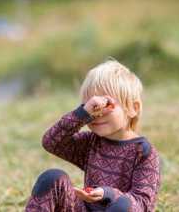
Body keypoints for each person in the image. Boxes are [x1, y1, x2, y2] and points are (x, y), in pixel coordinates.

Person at [25, 59, 161, 212]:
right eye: (93, 107)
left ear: (133, 108)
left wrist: (108, 194)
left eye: (106, 105)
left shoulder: (144, 153)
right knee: (52, 177)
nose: (97, 115)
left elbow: (143, 204)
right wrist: (82, 114)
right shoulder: (91, 142)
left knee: (123, 205)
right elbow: (51, 142)